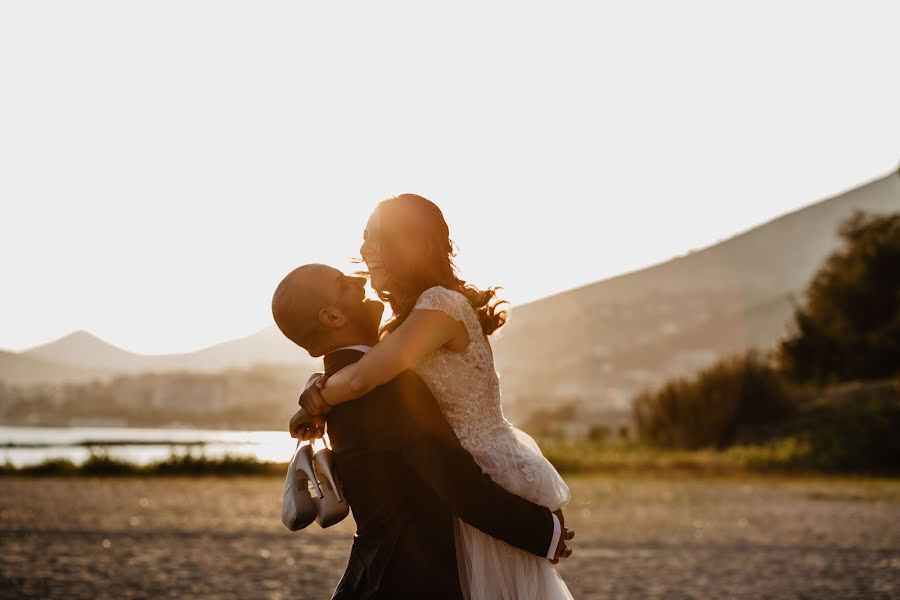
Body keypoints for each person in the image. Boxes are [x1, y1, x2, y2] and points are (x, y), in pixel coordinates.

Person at [292, 195, 574, 599]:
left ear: (421, 245)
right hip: (459, 484)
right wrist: (315, 390)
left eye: (380, 238)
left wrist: (316, 394)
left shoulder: (441, 305)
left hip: (483, 473)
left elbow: (360, 381)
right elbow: (366, 375)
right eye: (365, 238)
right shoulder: (403, 324)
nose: (366, 250)